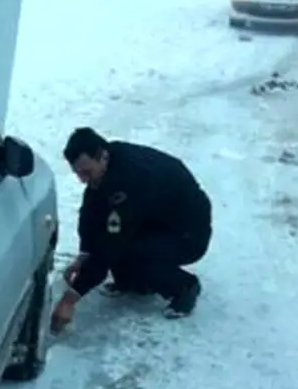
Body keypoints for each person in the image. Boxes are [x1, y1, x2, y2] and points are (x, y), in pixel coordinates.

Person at [51, 127, 213, 332]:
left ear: (103, 156)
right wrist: (85, 254)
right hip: (156, 221)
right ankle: (134, 283)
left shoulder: (130, 180)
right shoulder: (108, 165)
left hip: (188, 234)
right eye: (78, 173)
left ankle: (183, 287)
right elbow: (91, 213)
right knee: (116, 239)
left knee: (128, 249)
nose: (82, 180)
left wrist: (70, 299)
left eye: (86, 172)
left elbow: (111, 245)